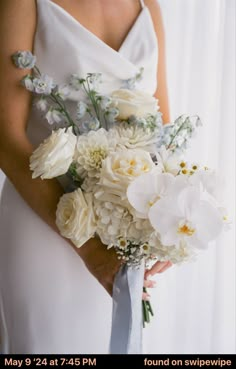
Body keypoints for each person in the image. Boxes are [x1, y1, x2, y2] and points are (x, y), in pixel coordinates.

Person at [0, 0, 172, 354]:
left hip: (125, 231)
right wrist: (91, 251)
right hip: (42, 221)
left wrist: (170, 218)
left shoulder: (149, 5)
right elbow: (6, 137)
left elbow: (162, 131)